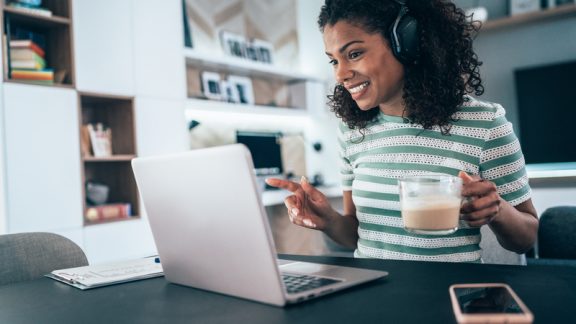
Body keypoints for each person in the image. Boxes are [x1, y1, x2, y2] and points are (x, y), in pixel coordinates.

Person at [265, 0, 538, 262]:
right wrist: (329, 221)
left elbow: (526, 238)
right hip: (374, 294)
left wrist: (498, 210)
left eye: (354, 54)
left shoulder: (485, 123)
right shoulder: (351, 130)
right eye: (334, 61)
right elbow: (358, 235)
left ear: (405, 43)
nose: (340, 74)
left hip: (448, 296)